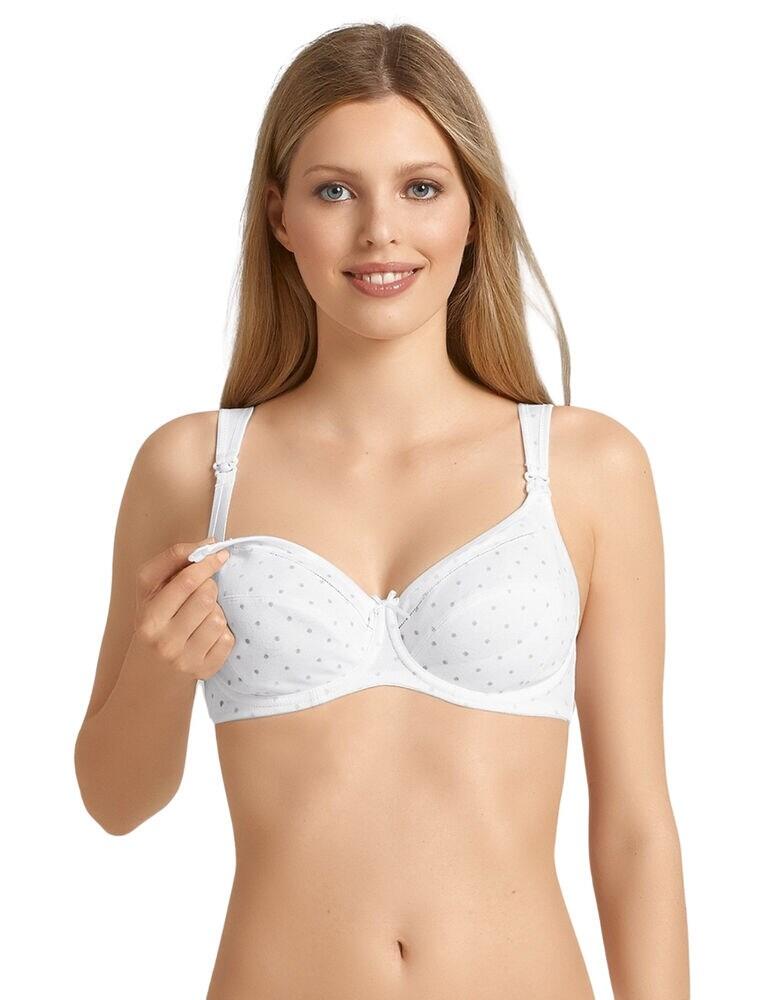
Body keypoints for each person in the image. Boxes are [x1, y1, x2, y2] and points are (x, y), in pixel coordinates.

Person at [74, 21, 689, 999]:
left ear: (473, 211)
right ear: (279, 216)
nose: (379, 232)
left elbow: (633, 830)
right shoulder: (194, 467)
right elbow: (114, 801)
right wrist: (158, 669)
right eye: (334, 191)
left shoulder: (586, 468)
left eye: (420, 188)